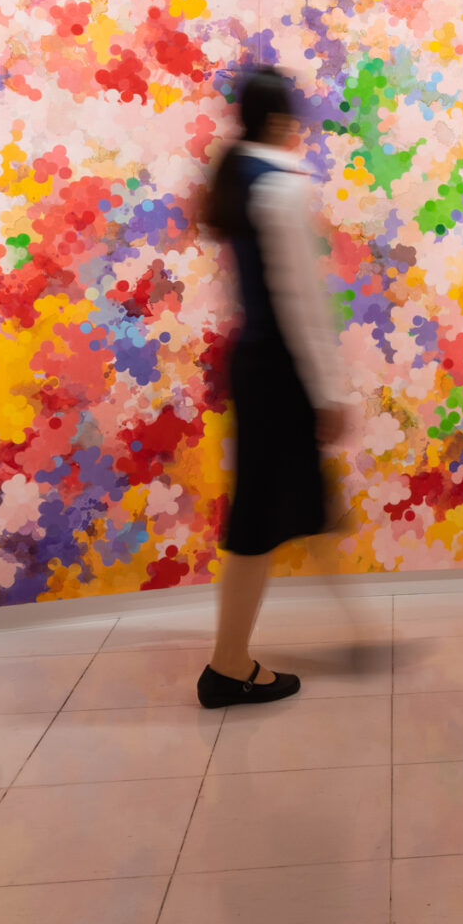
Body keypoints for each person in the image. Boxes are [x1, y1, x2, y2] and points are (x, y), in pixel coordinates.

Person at [195, 65, 351, 708]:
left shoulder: (236, 175)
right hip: (280, 368)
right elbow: (300, 298)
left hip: (254, 363)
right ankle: (227, 666)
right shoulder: (280, 184)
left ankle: (243, 657)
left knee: (279, 509)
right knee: (259, 521)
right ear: (284, 121)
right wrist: (327, 390)